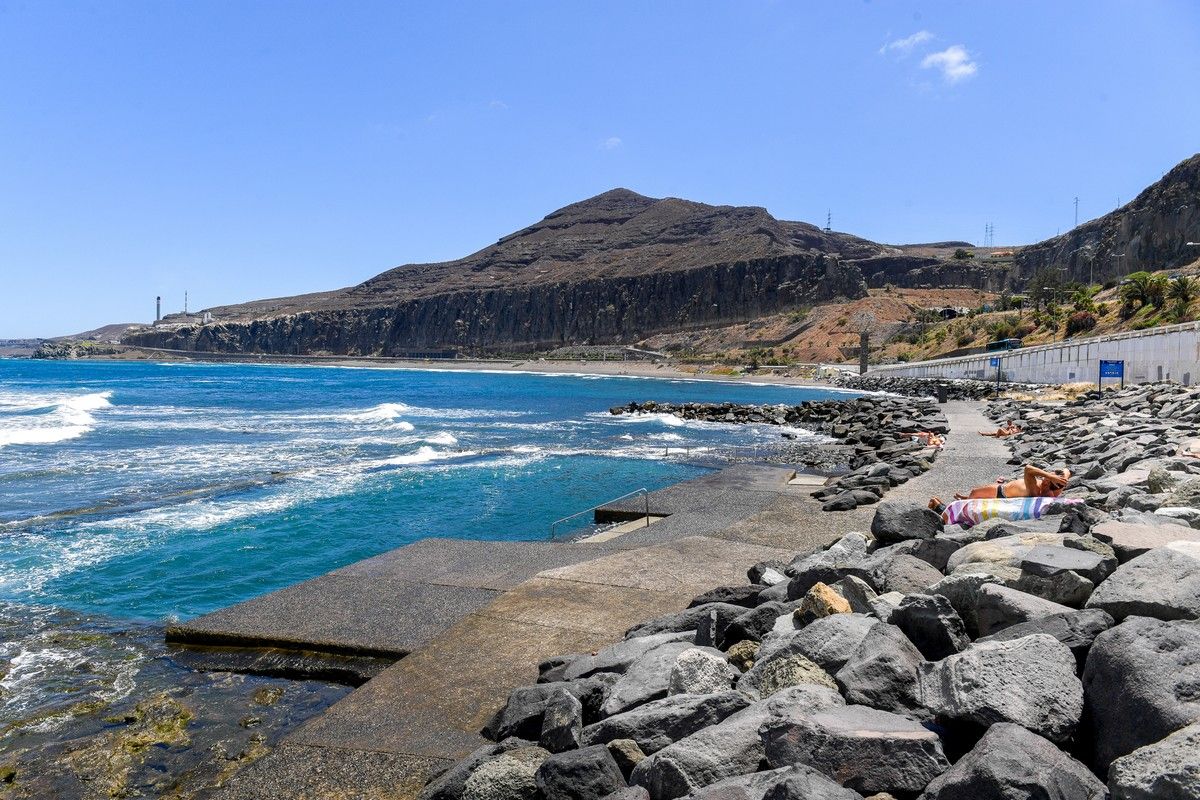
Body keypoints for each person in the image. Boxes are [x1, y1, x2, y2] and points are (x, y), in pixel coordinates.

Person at [927, 465, 1071, 511]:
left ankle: (937, 504)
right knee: (971, 496)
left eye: (1047, 480)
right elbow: (1066, 470)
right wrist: (1056, 477)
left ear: (1049, 484)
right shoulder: (1057, 486)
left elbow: (1028, 469)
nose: (1044, 479)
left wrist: (1050, 477)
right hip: (1001, 488)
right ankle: (961, 500)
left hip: (999, 492)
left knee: (972, 495)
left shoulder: (1036, 490)